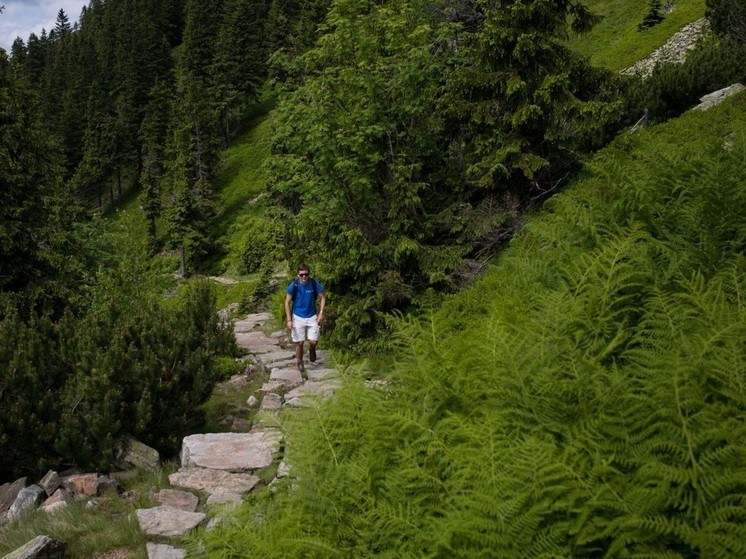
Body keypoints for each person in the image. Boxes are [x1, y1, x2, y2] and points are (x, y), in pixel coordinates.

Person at [285, 264, 326, 375]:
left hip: (312, 315)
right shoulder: (294, 285)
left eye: (306, 274)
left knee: (313, 341)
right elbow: (287, 302)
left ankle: (312, 349)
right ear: (298, 274)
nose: (304, 277)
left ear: (309, 274)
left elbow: (322, 297)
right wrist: (289, 320)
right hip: (297, 316)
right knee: (300, 342)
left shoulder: (313, 283)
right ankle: (299, 362)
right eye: (302, 275)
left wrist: (321, 313)